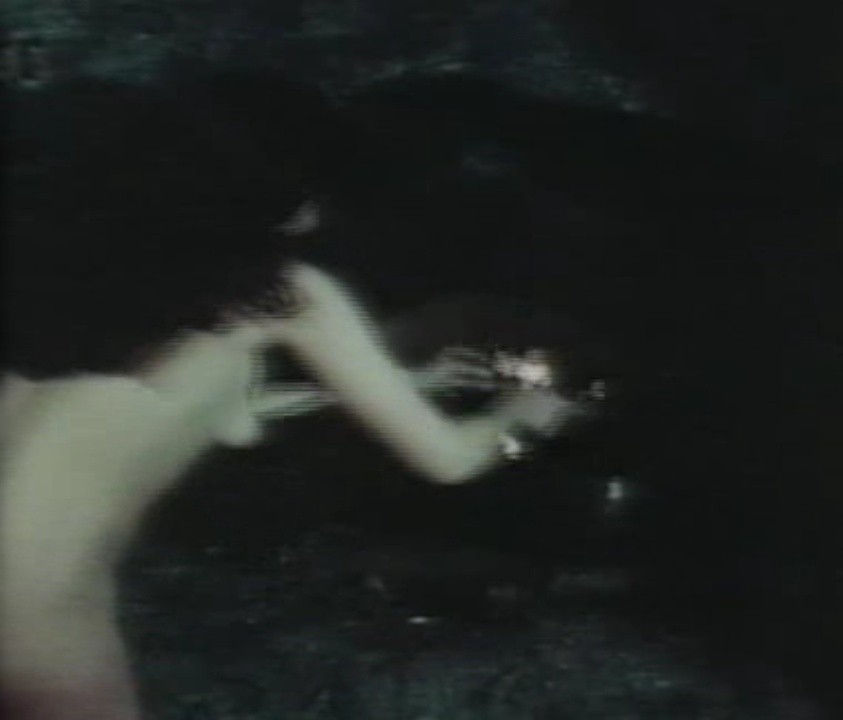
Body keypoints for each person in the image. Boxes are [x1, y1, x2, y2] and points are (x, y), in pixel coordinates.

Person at [0, 77, 579, 720]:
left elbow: (205, 419)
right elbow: (451, 459)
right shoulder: (290, 295)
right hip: (30, 627)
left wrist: (410, 386)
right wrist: (523, 418)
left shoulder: (80, 281)